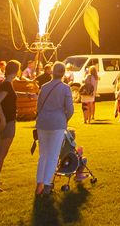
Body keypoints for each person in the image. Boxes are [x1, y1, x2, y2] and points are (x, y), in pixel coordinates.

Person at [35, 61, 75, 196]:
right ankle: (46, 185)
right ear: (63, 73)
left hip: (42, 122)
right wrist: (64, 119)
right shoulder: (65, 88)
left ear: (52, 72)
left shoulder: (44, 87)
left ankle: (39, 183)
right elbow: (70, 109)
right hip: (57, 123)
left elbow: (38, 106)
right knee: (53, 155)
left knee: (43, 155)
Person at [0, 59, 19, 193]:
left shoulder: (7, 84)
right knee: (1, 154)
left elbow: (3, 99)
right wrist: (3, 118)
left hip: (4, 121)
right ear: (16, 70)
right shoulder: (7, 84)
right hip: (7, 122)